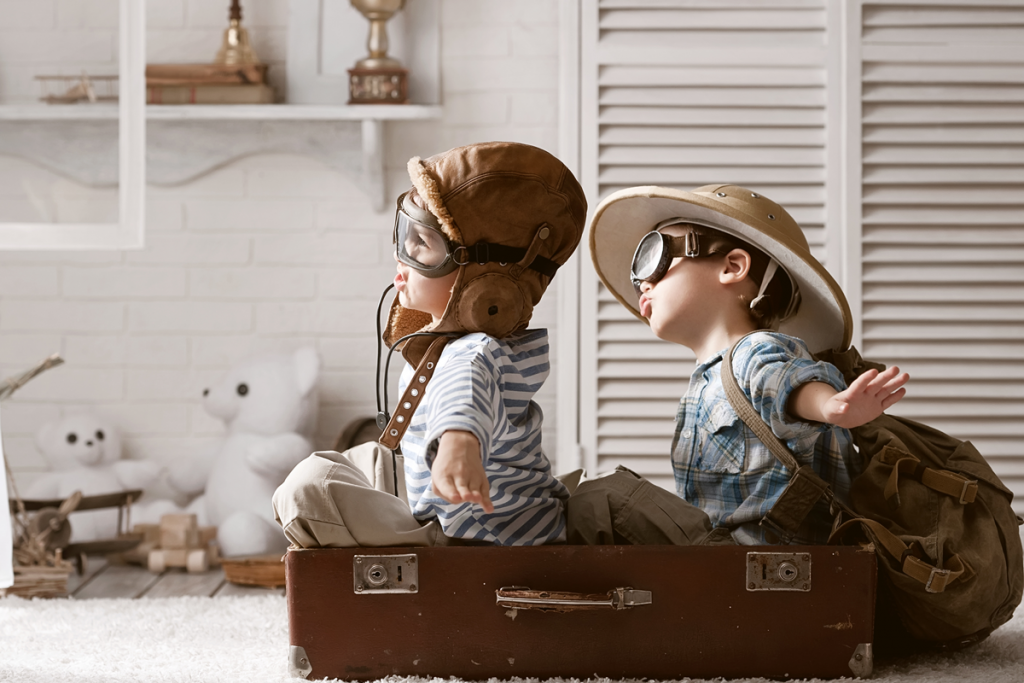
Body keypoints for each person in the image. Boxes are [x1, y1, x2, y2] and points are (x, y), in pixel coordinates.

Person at [273, 141, 587, 547]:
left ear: (487, 283)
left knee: (310, 487)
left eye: (422, 244)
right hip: (450, 514)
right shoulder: (452, 346)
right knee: (365, 460)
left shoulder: (473, 353)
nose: (403, 258)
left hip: (483, 545)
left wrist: (458, 445)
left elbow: (464, 398)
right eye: (404, 236)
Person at [586, 184, 909, 545]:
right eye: (637, 276)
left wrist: (831, 406)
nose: (642, 283)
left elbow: (782, 383)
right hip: (726, 558)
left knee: (600, 498)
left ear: (732, 266)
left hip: (763, 558)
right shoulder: (703, 385)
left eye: (654, 258)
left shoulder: (754, 351)